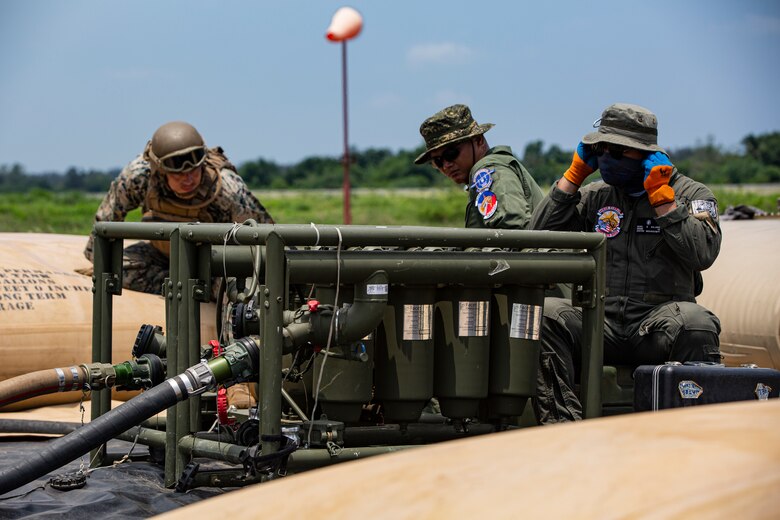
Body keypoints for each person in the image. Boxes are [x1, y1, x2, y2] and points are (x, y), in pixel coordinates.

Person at [530, 103, 722, 423]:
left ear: (646, 155)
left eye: (617, 151)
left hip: (655, 325)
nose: (607, 157)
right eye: (600, 149)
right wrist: (573, 177)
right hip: (598, 324)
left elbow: (703, 253)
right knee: (546, 314)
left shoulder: (691, 194)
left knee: (696, 323)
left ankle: (690, 429)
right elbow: (538, 238)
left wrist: (663, 200)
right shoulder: (596, 196)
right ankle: (562, 428)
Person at [84, 121, 275, 295]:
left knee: (239, 290)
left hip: (213, 265)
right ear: (160, 170)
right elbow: (106, 222)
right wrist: (101, 265)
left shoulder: (227, 189)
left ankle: (199, 290)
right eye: (179, 174)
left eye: (194, 170)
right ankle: (180, 287)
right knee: (113, 267)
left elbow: (264, 236)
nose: (189, 179)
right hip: (160, 258)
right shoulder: (139, 177)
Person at [415, 104, 544, 229]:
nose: (446, 165)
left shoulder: (488, 170)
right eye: (437, 161)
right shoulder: (490, 170)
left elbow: (514, 235)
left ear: (478, 140)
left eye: (451, 153)